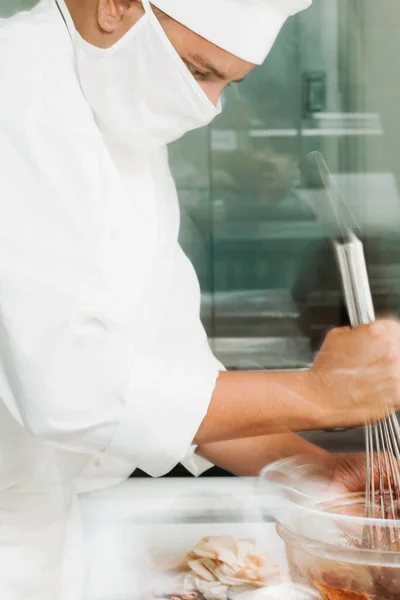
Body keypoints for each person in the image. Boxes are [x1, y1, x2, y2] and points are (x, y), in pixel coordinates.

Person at [1, 0, 400, 597]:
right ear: (117, 6)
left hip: (45, 521)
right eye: (199, 70)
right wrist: (317, 396)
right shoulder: (18, 96)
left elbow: (168, 375)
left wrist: (319, 472)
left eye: (227, 83)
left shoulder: (107, 99)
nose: (209, 108)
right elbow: (73, 391)